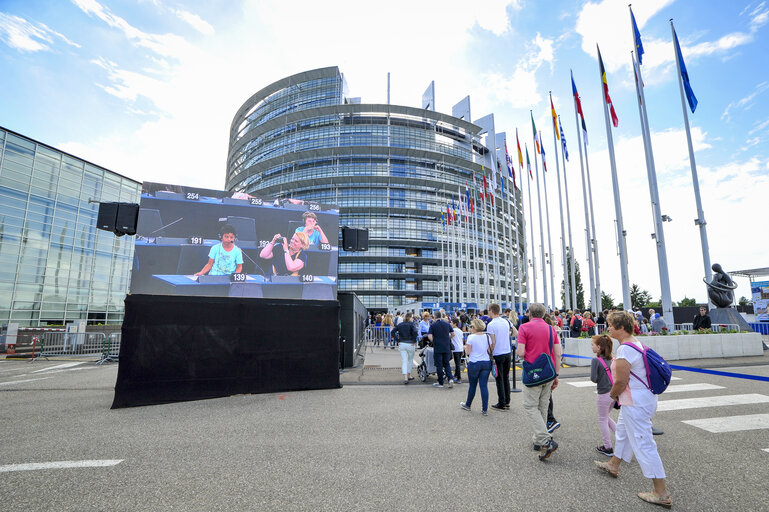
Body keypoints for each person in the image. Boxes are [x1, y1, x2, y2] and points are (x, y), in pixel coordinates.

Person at [594, 312, 671, 508]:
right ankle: (613, 465)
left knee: (644, 443)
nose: (608, 328)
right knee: (622, 432)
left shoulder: (625, 350)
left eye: (610, 325)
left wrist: (612, 395)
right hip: (641, 398)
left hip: (635, 401)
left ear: (620, 328)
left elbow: (621, 381)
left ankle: (661, 492)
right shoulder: (636, 343)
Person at [516, 302, 562, 461]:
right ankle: (538, 440)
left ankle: (545, 439)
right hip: (548, 372)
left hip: (532, 373)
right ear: (543, 315)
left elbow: (521, 352)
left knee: (530, 405)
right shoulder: (551, 329)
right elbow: (557, 354)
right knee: (543, 405)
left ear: (529, 314)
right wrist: (556, 374)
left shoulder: (524, 328)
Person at [459, 319, 494, 415]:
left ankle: (468, 404)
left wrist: (465, 348)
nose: (469, 328)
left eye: (470, 327)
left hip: (474, 362)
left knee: (473, 385)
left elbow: (468, 352)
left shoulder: (471, 337)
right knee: (484, 386)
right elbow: (489, 349)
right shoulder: (487, 336)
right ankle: (484, 409)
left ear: (474, 327)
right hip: (486, 362)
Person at [590, 334, 617, 457]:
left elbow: (594, 379)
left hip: (603, 394)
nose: (591, 347)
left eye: (592, 345)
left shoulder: (595, 360)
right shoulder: (611, 359)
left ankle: (608, 447)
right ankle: (622, 438)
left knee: (602, 419)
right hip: (613, 394)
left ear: (599, 347)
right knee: (606, 417)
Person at [487, 303, 514, 411]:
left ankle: (501, 402)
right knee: (506, 377)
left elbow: (492, 343)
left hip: (498, 354)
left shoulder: (491, 325)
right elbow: (515, 332)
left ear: (491, 311)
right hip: (507, 352)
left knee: (499, 378)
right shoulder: (506, 321)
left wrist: (489, 353)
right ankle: (507, 401)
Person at [427, 311, 454, 388]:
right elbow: (453, 334)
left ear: (434, 317)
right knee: (446, 364)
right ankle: (450, 379)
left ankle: (440, 382)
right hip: (446, 346)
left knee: (439, 365)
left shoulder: (433, 325)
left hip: (438, 346)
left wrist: (434, 341)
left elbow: (430, 336)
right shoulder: (447, 324)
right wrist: (447, 339)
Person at [393, 312, 418, 384]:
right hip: (410, 344)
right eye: (412, 317)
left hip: (402, 343)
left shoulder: (400, 325)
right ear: (410, 317)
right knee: (410, 360)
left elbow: (392, 332)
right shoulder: (412, 324)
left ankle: (405, 378)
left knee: (404, 360)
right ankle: (409, 375)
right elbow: (415, 332)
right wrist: (414, 340)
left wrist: (397, 340)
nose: (413, 319)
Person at [450, 317, 464, 384]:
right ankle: (456, 375)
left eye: (452, 322)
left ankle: (459, 378)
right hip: (460, 348)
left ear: (455, 324)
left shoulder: (452, 330)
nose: (451, 323)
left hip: (456, 349)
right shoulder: (460, 331)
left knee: (457, 364)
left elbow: (450, 337)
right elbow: (461, 340)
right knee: (458, 363)